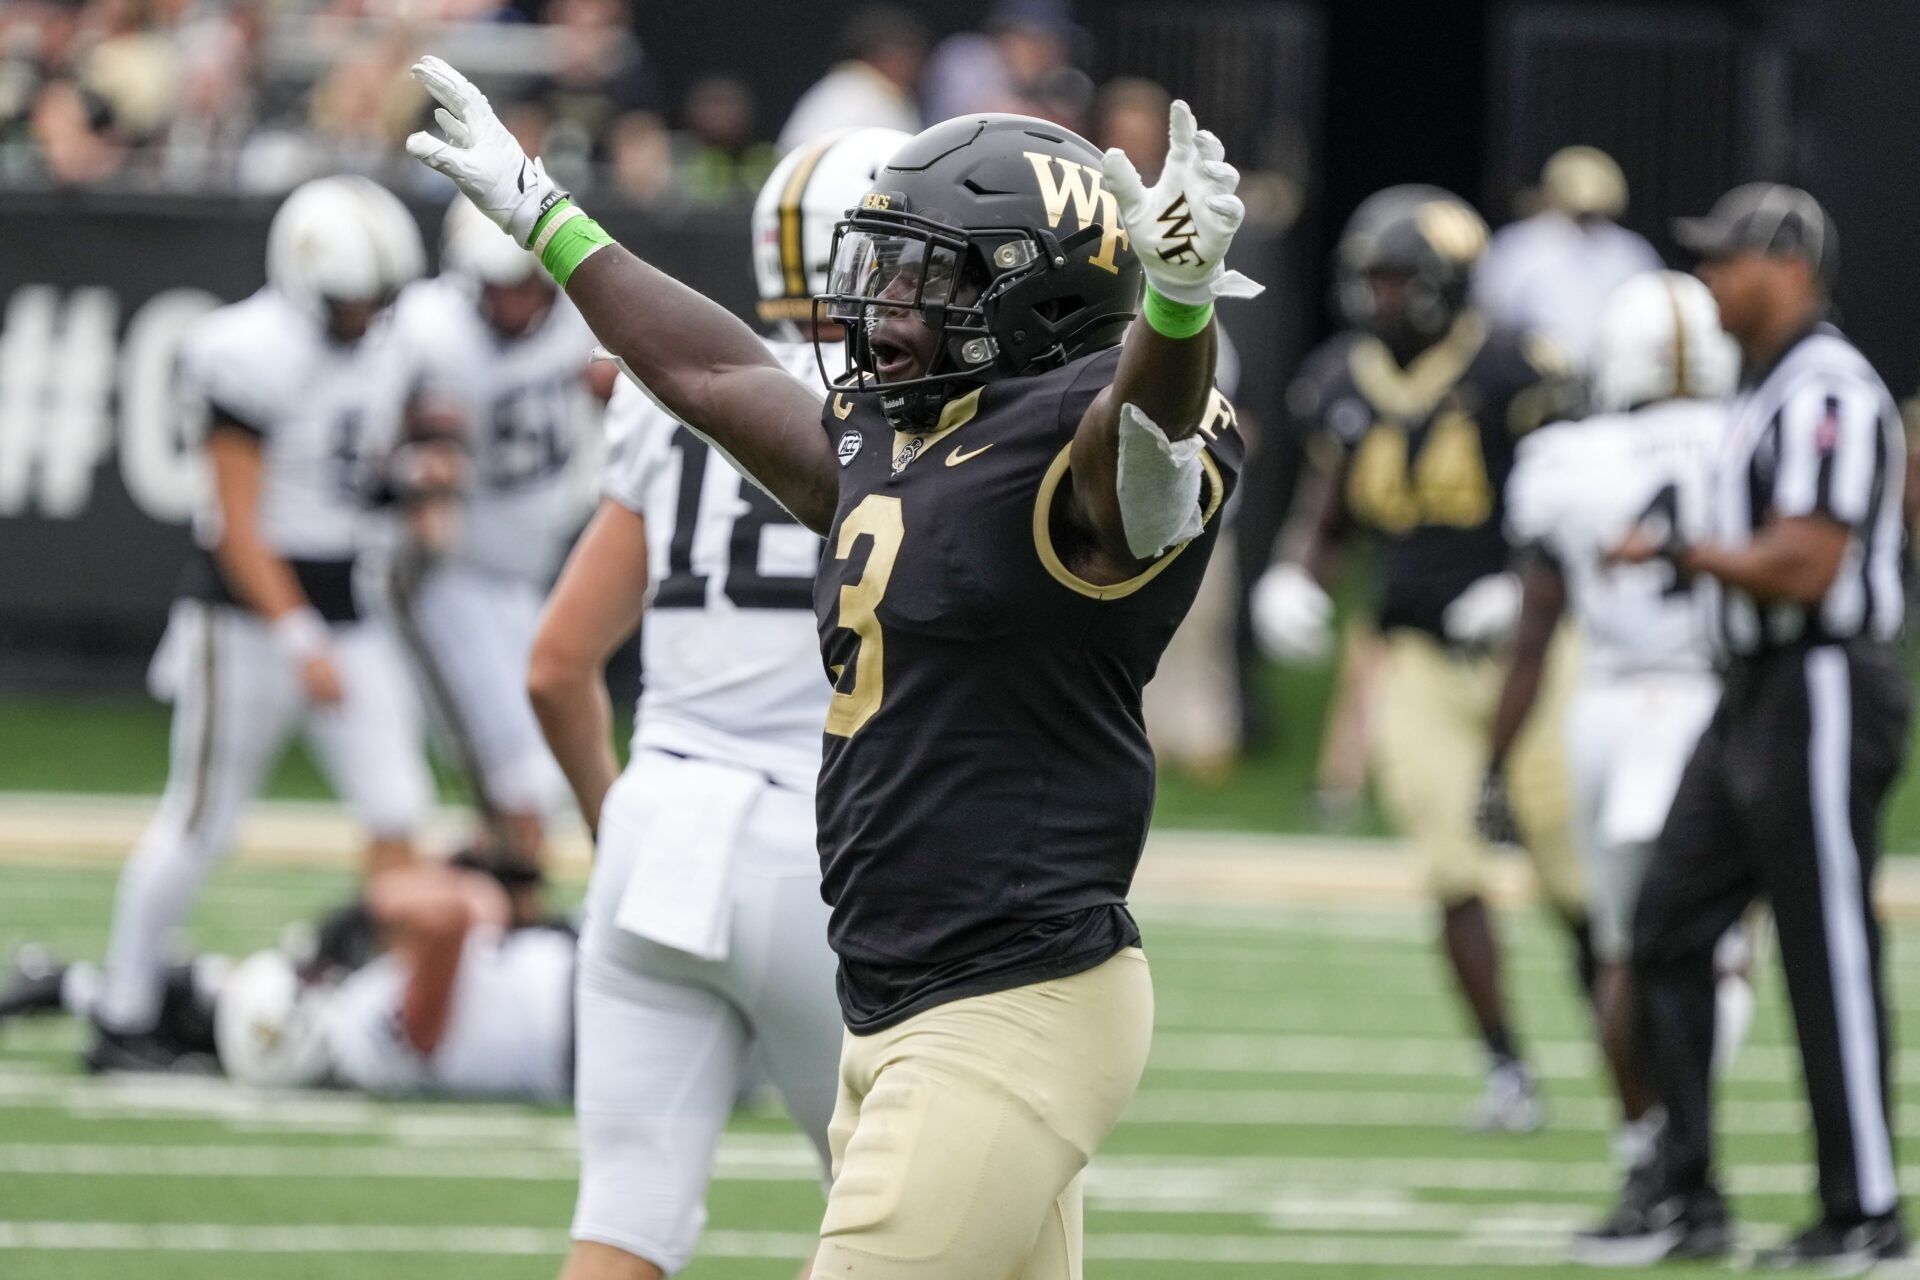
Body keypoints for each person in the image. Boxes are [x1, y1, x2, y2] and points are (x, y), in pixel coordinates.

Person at [408, 54, 1254, 1279]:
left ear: (1042, 293)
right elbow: (710, 374)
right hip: (896, 996)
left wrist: (1179, 306)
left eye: (930, 273)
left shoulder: (1084, 435)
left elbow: (1141, 469)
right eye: (888, 264)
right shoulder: (902, 430)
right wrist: (549, 215)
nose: (886, 304)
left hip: (1007, 1003)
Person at [524, 125, 909, 1280]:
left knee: (624, 1224)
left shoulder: (672, 395)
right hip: (829, 849)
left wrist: (616, 822)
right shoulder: (923, 418)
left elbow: (555, 664)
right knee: (914, 1227)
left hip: (661, 829)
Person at [1580, 184, 1912, 1270]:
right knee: (1667, 923)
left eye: (1729, 260)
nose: (1712, 279)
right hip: (1754, 689)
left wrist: (1682, 555)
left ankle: (1863, 1208)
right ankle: (1689, 1189)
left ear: (1789, 266)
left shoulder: (1829, 389)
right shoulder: (1765, 391)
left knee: (1827, 945)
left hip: (1818, 680)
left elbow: (1808, 563)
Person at [1251, 185, 1590, 1132]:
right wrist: (1298, 573)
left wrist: (1527, 585)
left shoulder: (1521, 368)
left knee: (1572, 878)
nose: (1382, 299)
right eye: (1372, 279)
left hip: (1533, 655)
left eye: (1400, 280)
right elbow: (1331, 507)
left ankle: (1636, 1059)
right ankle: (1506, 1069)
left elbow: (1578, 506)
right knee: (1450, 867)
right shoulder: (1340, 380)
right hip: (1416, 658)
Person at [90, 176, 434, 1074]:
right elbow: (236, 521)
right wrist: (297, 636)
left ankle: (384, 1016)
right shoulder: (246, 348)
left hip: (344, 601)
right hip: (244, 614)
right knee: (202, 818)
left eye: (377, 301)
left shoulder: (392, 341)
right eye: (349, 301)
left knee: (399, 806)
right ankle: (120, 1016)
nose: (364, 318)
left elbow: (350, 468)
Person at [1481, 270, 1749, 1181]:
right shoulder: (1752, 433)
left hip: (1607, 704)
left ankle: (1647, 1148)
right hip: (1722, 700)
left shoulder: (1567, 458)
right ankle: (1689, 1132)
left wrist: (1495, 755)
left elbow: (1534, 629)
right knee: (1723, 948)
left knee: (1626, 947)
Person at [378, 197, 597, 868]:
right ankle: (499, 916)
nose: (522, 305)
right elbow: (370, 440)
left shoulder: (578, 314)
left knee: (526, 785)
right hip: (454, 577)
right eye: (505, 288)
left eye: (534, 285)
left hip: (528, 576)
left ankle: (484, 903)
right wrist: (418, 474)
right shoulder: (426, 330)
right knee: (522, 780)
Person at [3, 857, 576, 1103]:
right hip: (582, 1004)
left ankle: (67, 987)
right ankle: (68, 987)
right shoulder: (372, 1031)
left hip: (576, 1003)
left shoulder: (339, 1038)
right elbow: (447, 916)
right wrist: (355, 919)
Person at [1472, 146, 1661, 366]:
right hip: (1532, 373)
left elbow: (1655, 317)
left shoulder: (1629, 251)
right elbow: (1489, 314)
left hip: (1615, 372)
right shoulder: (1520, 245)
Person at [775, 6, 924, 152]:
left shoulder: (882, 93)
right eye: (903, 54)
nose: (912, 64)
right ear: (879, 54)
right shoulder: (850, 93)